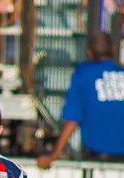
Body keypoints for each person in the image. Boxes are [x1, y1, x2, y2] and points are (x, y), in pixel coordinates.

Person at [36, 32, 124, 169]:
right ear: (113, 48)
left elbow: (72, 118)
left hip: (97, 160)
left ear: (89, 52)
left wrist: (54, 154)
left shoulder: (84, 74)